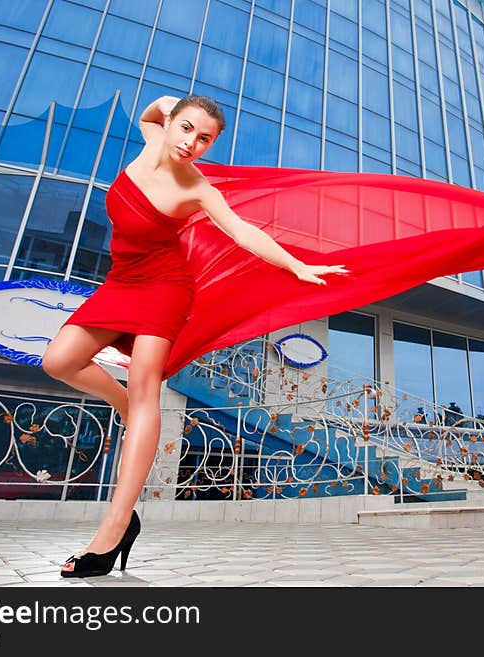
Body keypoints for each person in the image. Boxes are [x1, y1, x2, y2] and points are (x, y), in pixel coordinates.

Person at [42, 95, 348, 577]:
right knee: (59, 361)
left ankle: (114, 527)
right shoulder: (150, 139)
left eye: (204, 138)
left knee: (147, 388)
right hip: (122, 281)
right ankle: (126, 409)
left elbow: (245, 234)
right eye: (185, 128)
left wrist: (297, 265)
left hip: (165, 287)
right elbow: (147, 113)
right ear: (171, 123)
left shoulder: (198, 189)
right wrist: (163, 105)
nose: (190, 143)